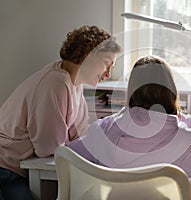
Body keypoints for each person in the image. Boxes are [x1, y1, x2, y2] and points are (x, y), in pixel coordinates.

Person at [0, 25, 121, 199]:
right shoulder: (55, 83)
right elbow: (48, 148)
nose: (108, 73)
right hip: (7, 168)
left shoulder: (75, 83)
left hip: (27, 167)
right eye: (106, 64)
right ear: (87, 57)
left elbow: (79, 135)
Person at [67, 55, 191, 177]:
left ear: (131, 90)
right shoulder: (186, 140)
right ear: (171, 91)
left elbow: (69, 152)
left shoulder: (103, 130)